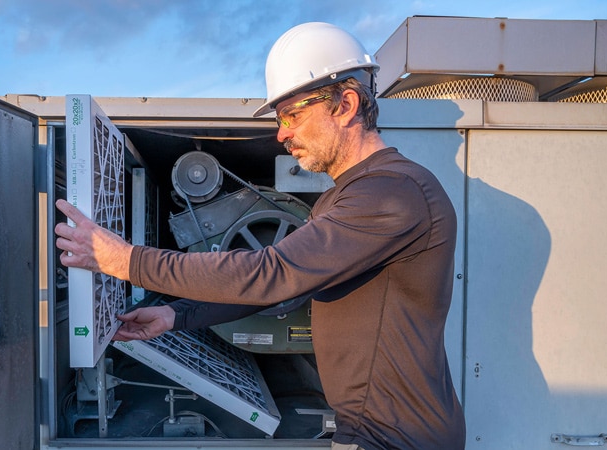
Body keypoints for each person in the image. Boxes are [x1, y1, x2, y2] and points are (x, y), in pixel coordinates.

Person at [55, 22, 466, 450]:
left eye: (293, 115)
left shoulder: (392, 192)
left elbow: (271, 273)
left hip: (397, 439)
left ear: (345, 105)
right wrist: (177, 316)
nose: (281, 133)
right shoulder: (347, 198)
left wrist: (126, 261)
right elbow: (279, 290)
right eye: (279, 119)